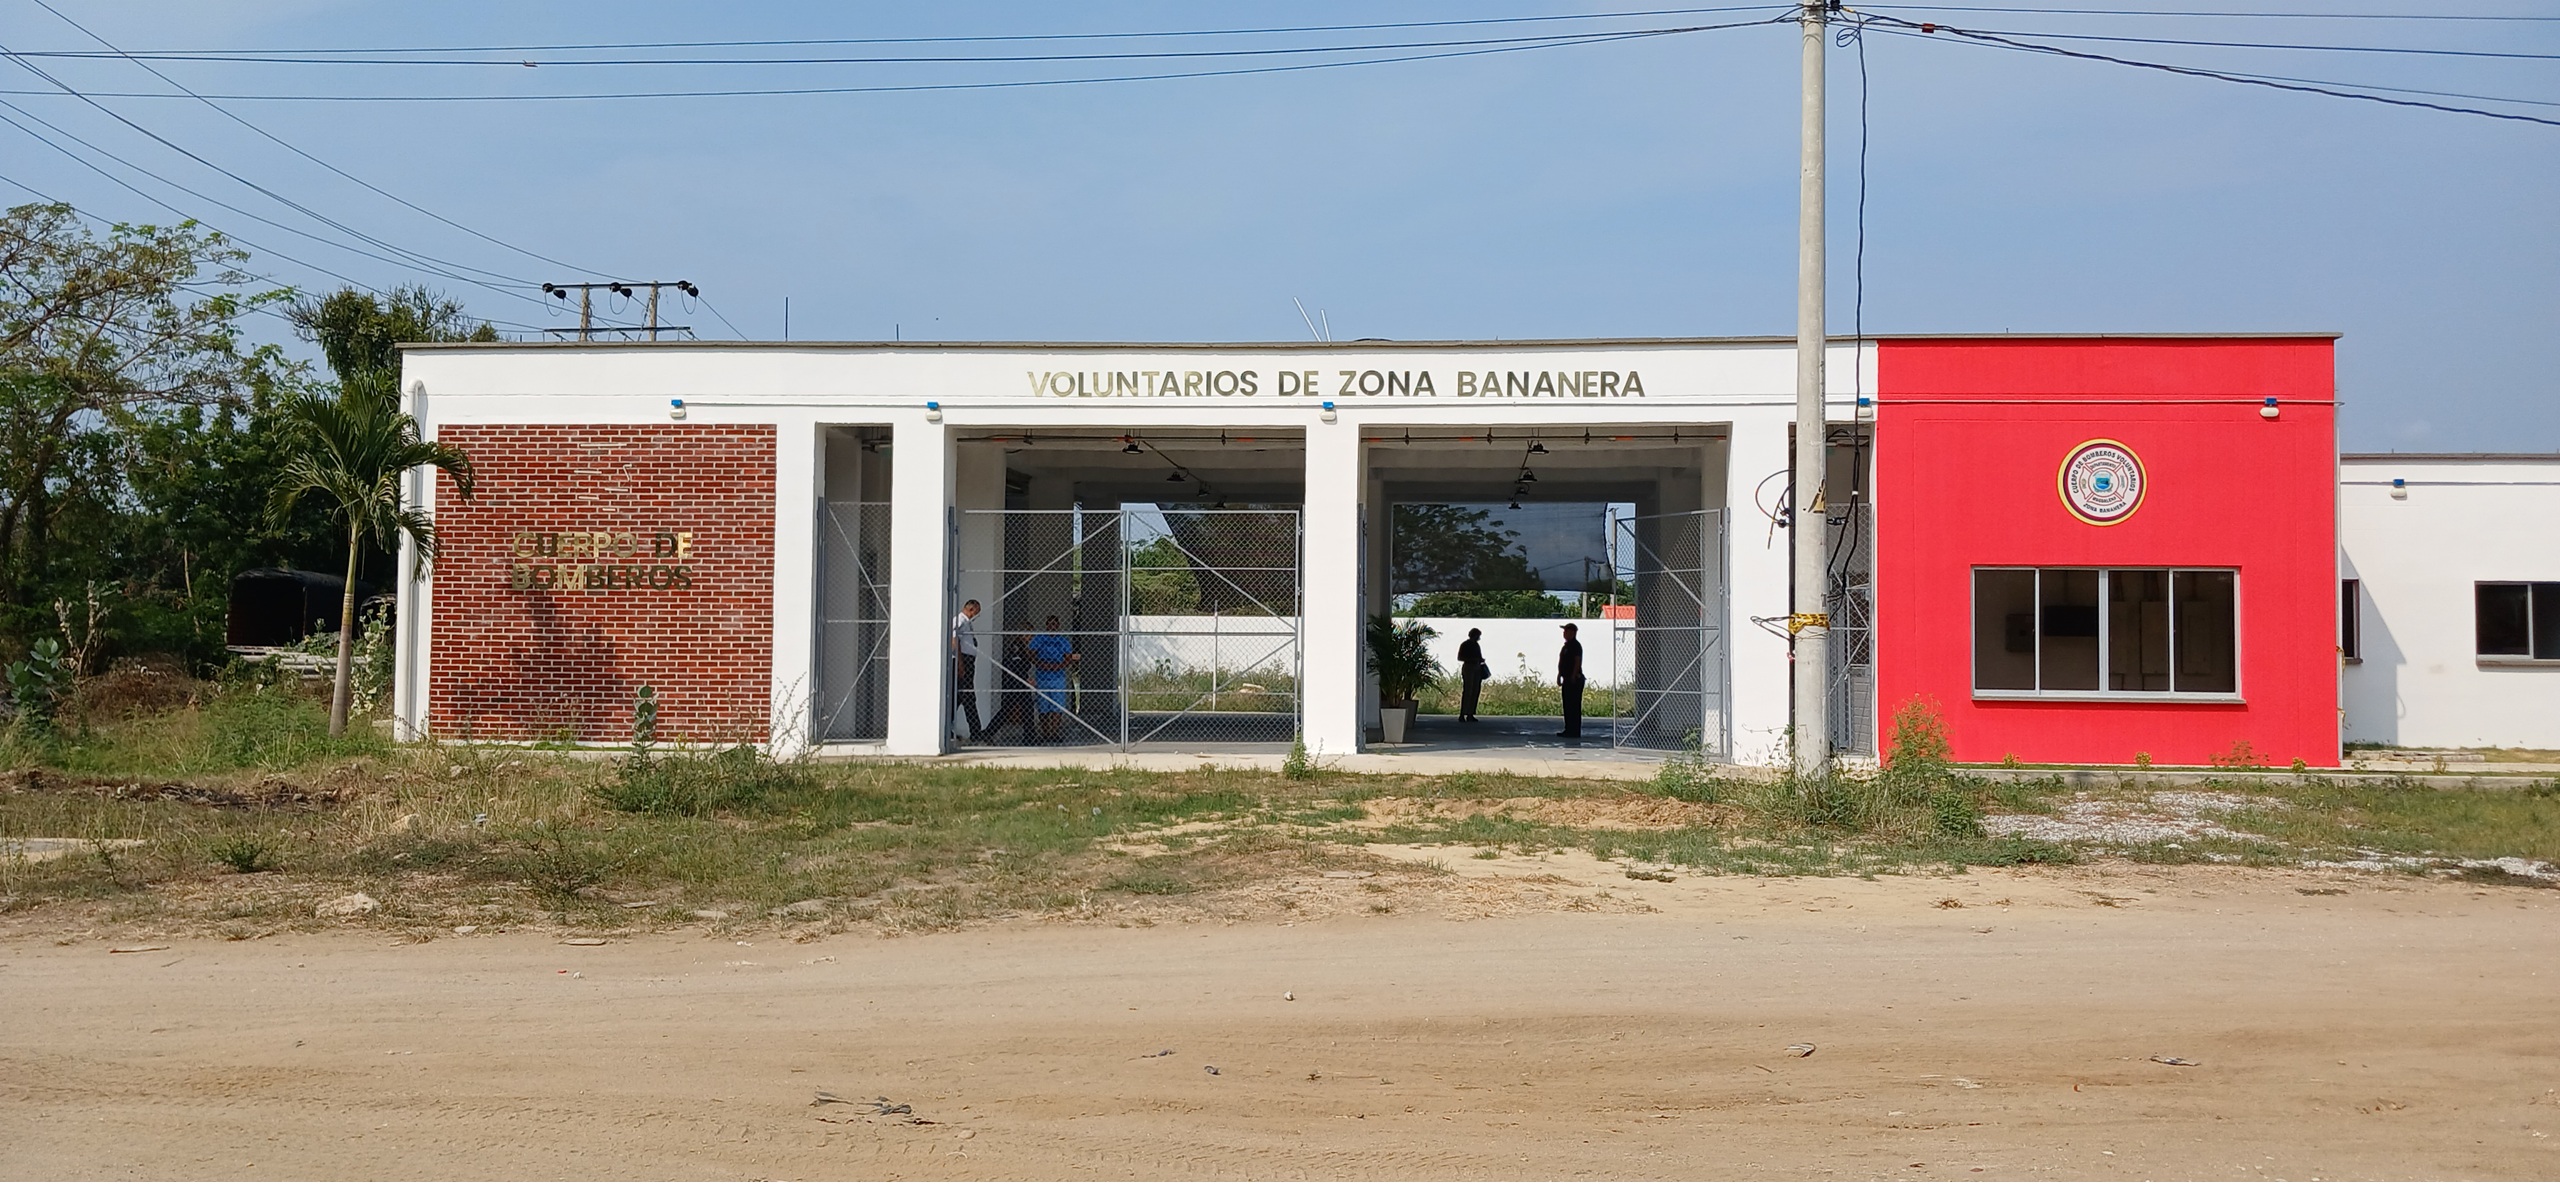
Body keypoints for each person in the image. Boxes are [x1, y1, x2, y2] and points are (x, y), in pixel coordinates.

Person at [1027, 614, 1079, 743]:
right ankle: (1045, 733)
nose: (1052, 627)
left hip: (1058, 677)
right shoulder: (1039, 639)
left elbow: (1068, 658)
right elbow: (1031, 654)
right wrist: (1040, 664)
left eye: (1054, 624)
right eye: (1050, 624)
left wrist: (1058, 666)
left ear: (1058, 626)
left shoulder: (1063, 641)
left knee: (1057, 706)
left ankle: (1054, 733)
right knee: (1043, 707)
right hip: (1042, 677)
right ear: (1046, 625)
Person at [950, 599, 986, 745]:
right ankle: (976, 732)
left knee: (959, 697)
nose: (975, 616)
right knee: (968, 696)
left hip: (967, 661)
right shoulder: (960, 620)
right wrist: (960, 663)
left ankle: (948, 726)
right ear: (971, 609)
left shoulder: (966, 623)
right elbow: (954, 640)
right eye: (976, 612)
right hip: (963, 661)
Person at [1556, 622, 1585, 739]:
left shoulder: (1575, 646)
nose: (1564, 633)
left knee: (1574, 706)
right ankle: (1568, 729)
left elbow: (1577, 662)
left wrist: (1573, 675)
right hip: (1566, 678)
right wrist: (1559, 675)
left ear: (1572, 633)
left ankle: (1574, 731)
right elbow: (1562, 662)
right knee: (1567, 706)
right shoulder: (1566, 646)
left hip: (1574, 679)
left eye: (1566, 631)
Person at [1456, 628, 1488, 723]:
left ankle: (1470, 713)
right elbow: (1460, 657)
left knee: (1475, 691)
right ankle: (1462, 714)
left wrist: (1480, 660)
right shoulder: (1465, 645)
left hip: (1477, 668)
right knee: (1468, 691)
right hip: (1469, 668)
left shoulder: (1476, 645)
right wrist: (1473, 659)